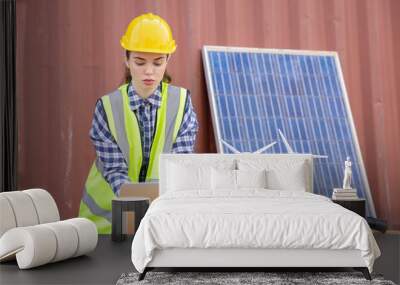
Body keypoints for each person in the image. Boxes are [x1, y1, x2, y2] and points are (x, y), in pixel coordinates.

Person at [79, 13, 199, 234]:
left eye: (158, 62)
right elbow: (115, 172)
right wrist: (137, 219)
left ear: (168, 60)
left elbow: (178, 167)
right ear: (126, 59)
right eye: (140, 62)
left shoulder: (182, 105)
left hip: (159, 222)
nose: (149, 71)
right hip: (106, 226)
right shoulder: (107, 108)